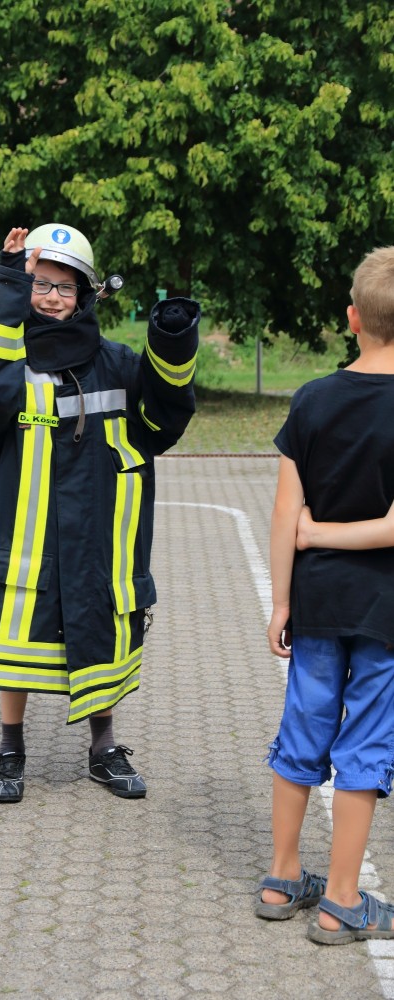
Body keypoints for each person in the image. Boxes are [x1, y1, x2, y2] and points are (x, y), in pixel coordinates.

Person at [0, 223, 199, 803]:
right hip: (26, 536)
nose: (52, 297)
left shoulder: (116, 364)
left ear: (85, 294)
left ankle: (103, 750)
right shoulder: (7, 363)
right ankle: (10, 748)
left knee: (100, 635)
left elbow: (163, 422)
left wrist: (172, 341)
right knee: (16, 643)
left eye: (65, 286)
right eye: (40, 284)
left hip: (101, 539)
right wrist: (6, 279)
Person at [256, 245, 394, 944]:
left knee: (302, 729)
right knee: (365, 743)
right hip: (382, 611)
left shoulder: (311, 398)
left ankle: (282, 878)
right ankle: (341, 899)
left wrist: (282, 600)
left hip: (314, 603)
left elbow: (287, 514)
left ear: (352, 318)